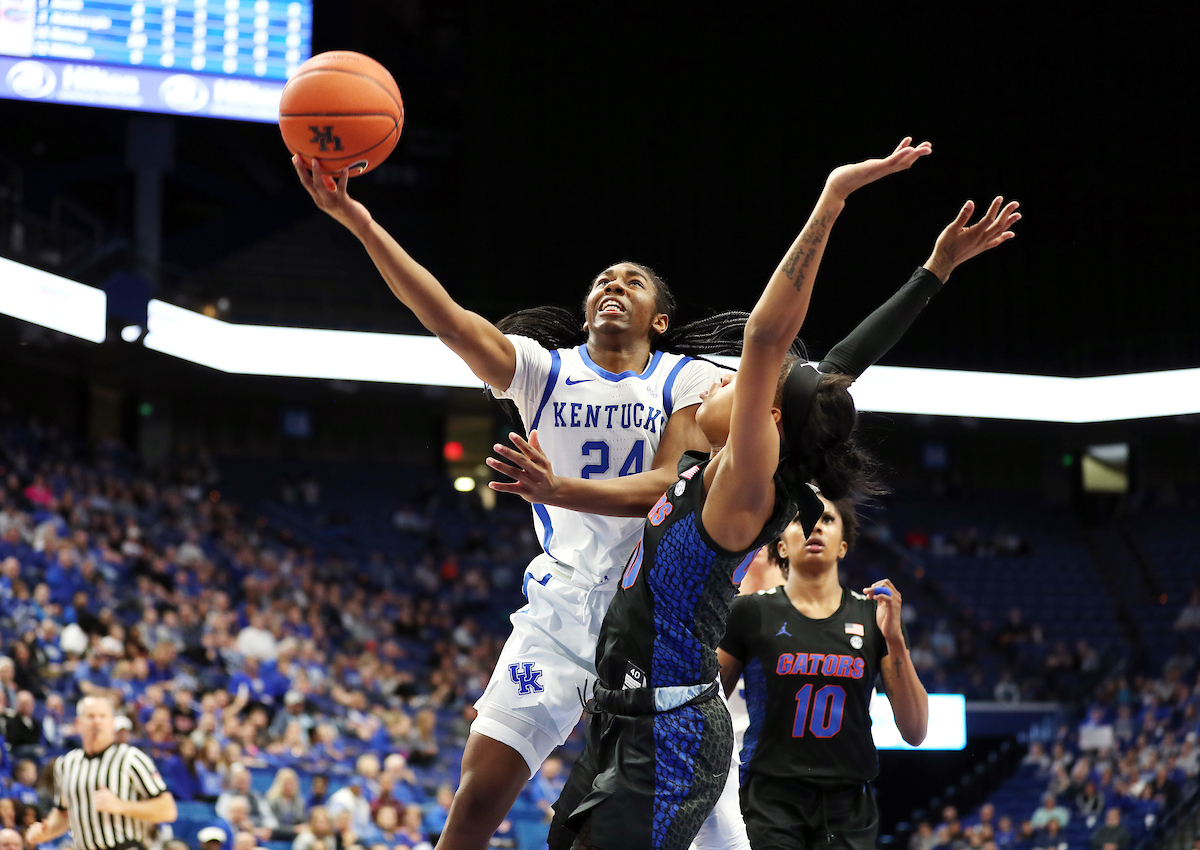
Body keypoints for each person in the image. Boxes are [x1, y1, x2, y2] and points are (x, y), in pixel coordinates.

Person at [548, 138, 1005, 850]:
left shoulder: (744, 485)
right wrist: (934, 271)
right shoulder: (746, 451)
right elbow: (843, 363)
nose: (724, 380)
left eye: (740, 383)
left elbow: (766, 338)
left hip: (666, 733)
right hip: (621, 715)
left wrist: (833, 196)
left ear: (769, 417)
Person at [295, 136, 739, 850]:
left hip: (654, 615)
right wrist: (358, 220)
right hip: (562, 607)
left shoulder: (681, 379)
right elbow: (444, 316)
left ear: (659, 318)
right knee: (476, 796)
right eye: (603, 280)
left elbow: (665, 486)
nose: (613, 286)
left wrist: (559, 485)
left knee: (693, 829)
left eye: (632, 281)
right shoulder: (542, 370)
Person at [25, 696, 178, 850]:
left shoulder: (131, 758)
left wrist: (120, 806)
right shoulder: (66, 764)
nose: (97, 721)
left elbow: (167, 809)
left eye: (103, 716)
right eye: (90, 716)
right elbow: (64, 814)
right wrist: (45, 832)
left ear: (112, 723)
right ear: (79, 724)